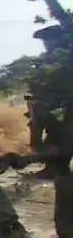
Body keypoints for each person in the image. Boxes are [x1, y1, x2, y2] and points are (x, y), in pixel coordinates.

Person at [28, 26, 72, 178]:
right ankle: (53, 168)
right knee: (50, 138)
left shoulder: (66, 58)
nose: (46, 43)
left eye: (49, 40)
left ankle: (57, 169)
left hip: (65, 107)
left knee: (62, 139)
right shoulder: (47, 58)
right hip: (50, 107)